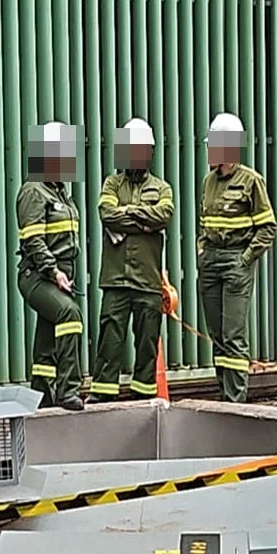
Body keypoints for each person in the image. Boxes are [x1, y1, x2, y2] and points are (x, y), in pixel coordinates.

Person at [88, 118, 175, 402]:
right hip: (115, 279)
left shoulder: (162, 188)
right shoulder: (111, 184)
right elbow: (106, 214)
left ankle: (143, 398)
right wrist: (143, 219)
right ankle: (103, 394)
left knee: (147, 342)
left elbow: (165, 215)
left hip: (148, 280)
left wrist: (128, 215)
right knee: (110, 340)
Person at [196, 112, 277, 403]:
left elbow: (268, 228)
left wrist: (244, 260)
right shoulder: (208, 181)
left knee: (233, 333)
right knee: (217, 333)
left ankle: (236, 398)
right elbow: (204, 222)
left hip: (235, 262)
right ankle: (224, 390)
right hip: (211, 263)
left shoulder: (251, 181)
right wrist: (202, 251)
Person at [15, 121, 85, 411]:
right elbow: (34, 240)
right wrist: (53, 271)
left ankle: (41, 394)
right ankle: (69, 390)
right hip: (38, 276)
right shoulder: (34, 190)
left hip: (60, 276)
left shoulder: (60, 192)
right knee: (70, 315)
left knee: (47, 335)